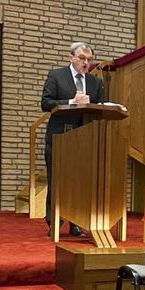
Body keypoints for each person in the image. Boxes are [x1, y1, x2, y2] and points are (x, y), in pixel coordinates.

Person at [41, 42, 105, 237]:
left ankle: (76, 221)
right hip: (60, 136)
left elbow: (101, 106)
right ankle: (55, 221)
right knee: (57, 180)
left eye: (89, 59)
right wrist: (71, 102)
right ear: (71, 57)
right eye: (82, 58)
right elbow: (45, 103)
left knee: (81, 182)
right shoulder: (56, 76)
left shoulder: (96, 82)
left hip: (85, 139)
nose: (86, 63)